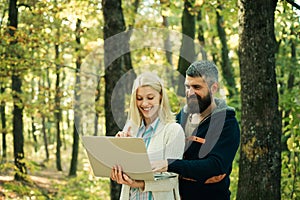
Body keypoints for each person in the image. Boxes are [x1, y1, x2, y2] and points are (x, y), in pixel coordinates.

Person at [151, 60, 240, 199]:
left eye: (196, 87)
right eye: (187, 86)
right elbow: (157, 140)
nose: (190, 92)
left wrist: (169, 164)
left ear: (213, 88)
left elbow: (215, 166)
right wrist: (129, 136)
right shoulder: (181, 117)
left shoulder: (227, 124)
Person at [110, 71, 185, 200]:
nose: (144, 104)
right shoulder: (130, 130)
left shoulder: (173, 131)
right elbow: (126, 171)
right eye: (139, 98)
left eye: (150, 98)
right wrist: (117, 160)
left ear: (161, 97)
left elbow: (172, 180)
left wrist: (138, 184)